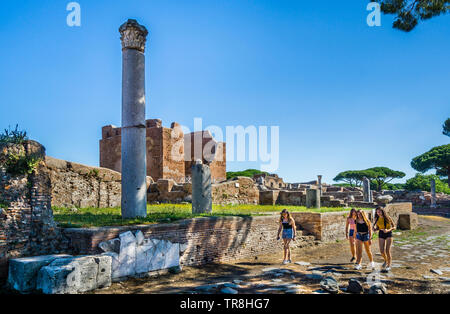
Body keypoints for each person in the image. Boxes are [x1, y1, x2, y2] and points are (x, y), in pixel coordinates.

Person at [373, 207, 396, 271]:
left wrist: (388, 230)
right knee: (381, 251)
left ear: (382, 211)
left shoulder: (388, 218)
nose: (378, 213)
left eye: (379, 211)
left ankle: (389, 265)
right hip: (381, 233)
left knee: (387, 250)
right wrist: (375, 229)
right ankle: (386, 260)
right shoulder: (377, 219)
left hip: (388, 233)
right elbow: (378, 227)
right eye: (377, 212)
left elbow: (394, 227)